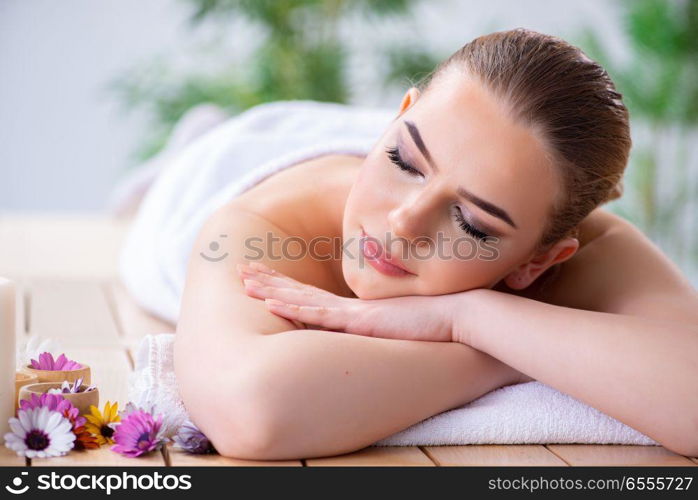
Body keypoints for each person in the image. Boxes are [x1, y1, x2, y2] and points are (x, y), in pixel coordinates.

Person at [173, 28, 698, 460]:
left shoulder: (585, 243)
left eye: (471, 223)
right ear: (399, 116)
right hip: (244, 148)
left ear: (539, 260)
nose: (404, 223)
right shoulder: (269, 221)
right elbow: (251, 411)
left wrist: (470, 318)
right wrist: (513, 355)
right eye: (403, 163)